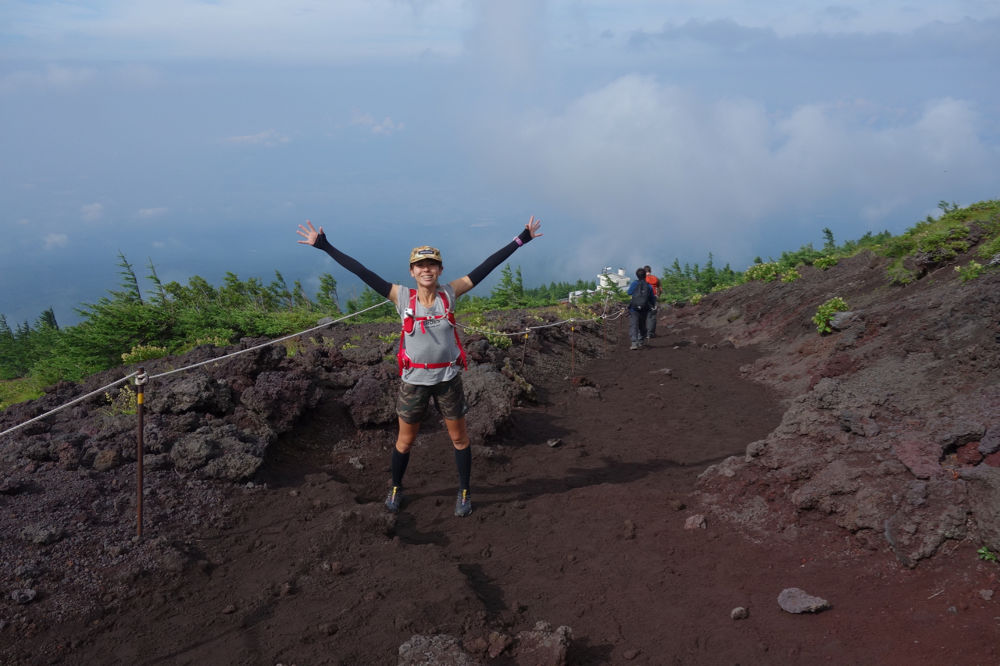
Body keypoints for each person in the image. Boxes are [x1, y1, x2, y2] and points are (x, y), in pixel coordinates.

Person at [296, 216, 543, 517]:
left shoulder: (449, 294)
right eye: (420, 265)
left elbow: (487, 266)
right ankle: (396, 487)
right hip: (414, 381)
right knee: (405, 441)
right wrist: (325, 246)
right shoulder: (402, 297)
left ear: (440, 270)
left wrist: (522, 238)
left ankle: (464, 492)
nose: (426, 269)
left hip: (447, 379)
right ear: (412, 271)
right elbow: (362, 271)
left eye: (432, 264)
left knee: (460, 439)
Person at [626, 267, 655, 350]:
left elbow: (629, 292)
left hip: (634, 308)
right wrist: (652, 305)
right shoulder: (648, 286)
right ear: (645, 275)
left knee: (634, 325)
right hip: (644, 308)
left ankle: (634, 343)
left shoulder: (634, 284)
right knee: (642, 325)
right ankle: (641, 341)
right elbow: (652, 298)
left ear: (637, 275)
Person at [643, 265, 661, 339]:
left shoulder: (643, 279)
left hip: (644, 299)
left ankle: (644, 332)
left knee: (644, 315)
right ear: (650, 271)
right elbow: (660, 289)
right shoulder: (656, 279)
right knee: (652, 316)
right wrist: (658, 296)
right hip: (653, 298)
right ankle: (650, 333)